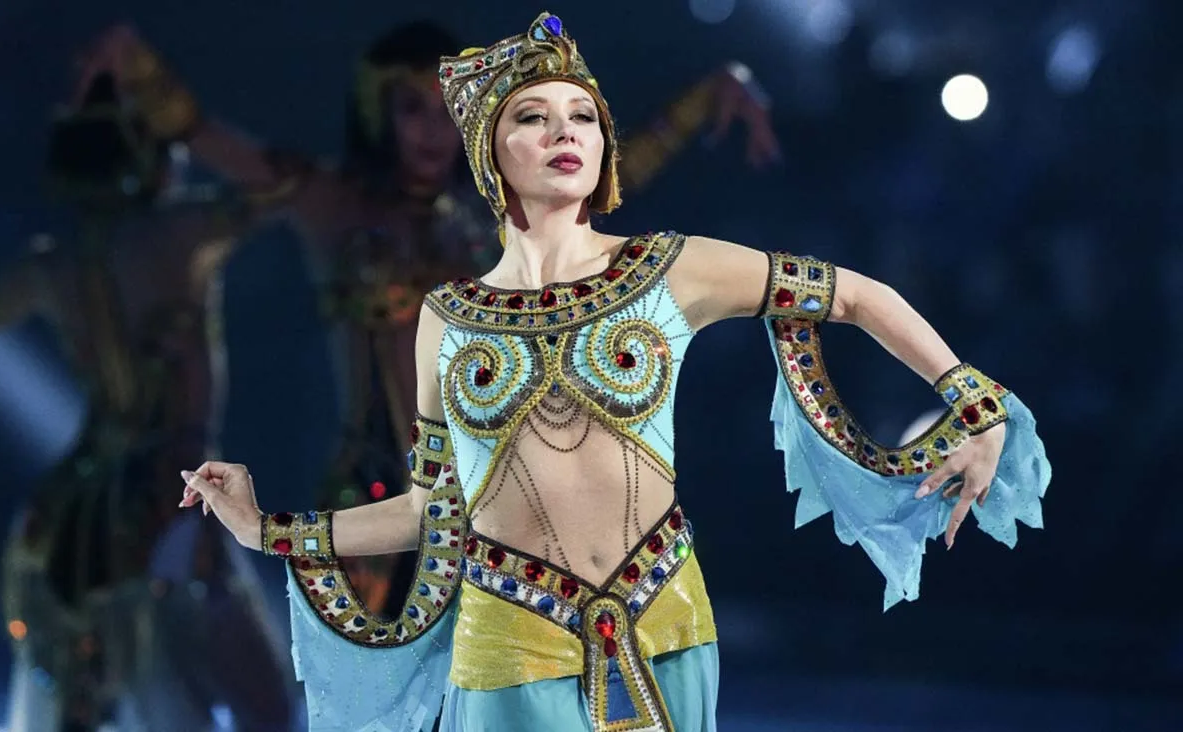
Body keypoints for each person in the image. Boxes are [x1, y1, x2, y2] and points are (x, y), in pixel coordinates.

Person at [179, 12, 1051, 731]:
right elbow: (435, 512)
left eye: (584, 115)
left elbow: (857, 295)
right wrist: (265, 531)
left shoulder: (670, 268)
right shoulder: (448, 317)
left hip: (665, 622)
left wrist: (976, 405)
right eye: (533, 115)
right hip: (507, 642)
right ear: (490, 150)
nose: (566, 130)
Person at [82, 18, 779, 620]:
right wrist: (138, 68)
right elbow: (212, 140)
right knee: (370, 696)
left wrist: (708, 95)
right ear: (377, 110)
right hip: (371, 499)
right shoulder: (335, 204)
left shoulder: (492, 214)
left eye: (445, 110)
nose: (431, 131)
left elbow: (609, 170)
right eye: (411, 108)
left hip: (494, 501)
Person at [0, 74, 297, 730]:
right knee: (264, 705)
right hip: (166, 495)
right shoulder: (177, 234)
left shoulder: (51, 264)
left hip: (70, 511)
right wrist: (173, 102)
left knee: (97, 695)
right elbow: (279, 186)